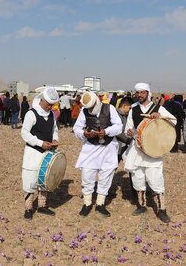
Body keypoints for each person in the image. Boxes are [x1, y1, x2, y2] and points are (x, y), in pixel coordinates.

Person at [123, 83, 176, 223]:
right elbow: (129, 130)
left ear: (148, 93)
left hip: (153, 150)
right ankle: (142, 206)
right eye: (137, 93)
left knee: (155, 179)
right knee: (137, 177)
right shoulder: (133, 110)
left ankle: (162, 210)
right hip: (137, 149)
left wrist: (160, 116)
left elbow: (174, 121)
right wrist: (129, 133)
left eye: (142, 92)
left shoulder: (159, 108)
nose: (139, 95)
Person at [73, 92, 123, 217]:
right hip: (91, 148)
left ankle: (100, 204)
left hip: (108, 148)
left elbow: (119, 126)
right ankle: (87, 203)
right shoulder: (84, 111)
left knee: (106, 175)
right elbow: (77, 128)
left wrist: (106, 132)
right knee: (87, 174)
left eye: (91, 107)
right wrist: (84, 134)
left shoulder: (109, 108)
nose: (90, 109)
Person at [21, 87, 60, 219]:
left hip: (47, 152)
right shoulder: (31, 114)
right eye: (48, 104)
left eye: (52, 105)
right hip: (33, 152)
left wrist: (55, 139)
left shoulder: (51, 115)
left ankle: (42, 206)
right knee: (30, 180)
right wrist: (39, 143)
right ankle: (28, 208)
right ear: (42, 100)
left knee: (45, 178)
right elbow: (24, 133)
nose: (50, 107)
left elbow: (54, 129)